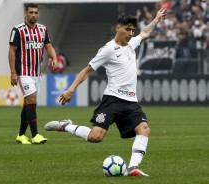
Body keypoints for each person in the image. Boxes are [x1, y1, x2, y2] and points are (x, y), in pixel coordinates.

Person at [44, 6, 167, 176]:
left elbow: (144, 33)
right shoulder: (108, 49)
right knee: (96, 137)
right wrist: (71, 90)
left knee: (144, 129)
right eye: (127, 30)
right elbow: (86, 70)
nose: (131, 34)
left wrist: (156, 19)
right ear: (118, 28)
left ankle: (132, 167)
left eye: (132, 30)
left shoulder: (131, 44)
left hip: (131, 102)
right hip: (113, 100)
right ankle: (66, 126)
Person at [8, 3, 57, 144]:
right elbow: (11, 51)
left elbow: (48, 46)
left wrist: (54, 58)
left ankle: (21, 135)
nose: (33, 15)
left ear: (38, 14)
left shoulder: (43, 29)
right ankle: (35, 135)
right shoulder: (18, 30)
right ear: (25, 13)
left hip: (37, 73)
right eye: (31, 12)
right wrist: (13, 73)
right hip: (23, 72)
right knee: (31, 101)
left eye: (36, 12)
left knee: (28, 104)